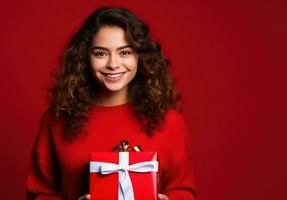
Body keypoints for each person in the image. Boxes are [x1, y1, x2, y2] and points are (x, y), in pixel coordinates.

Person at [26, 7, 196, 200]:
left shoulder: (170, 120)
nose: (113, 64)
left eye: (125, 52)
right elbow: (38, 194)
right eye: (100, 53)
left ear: (140, 56)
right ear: (85, 57)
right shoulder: (56, 119)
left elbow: (183, 191)